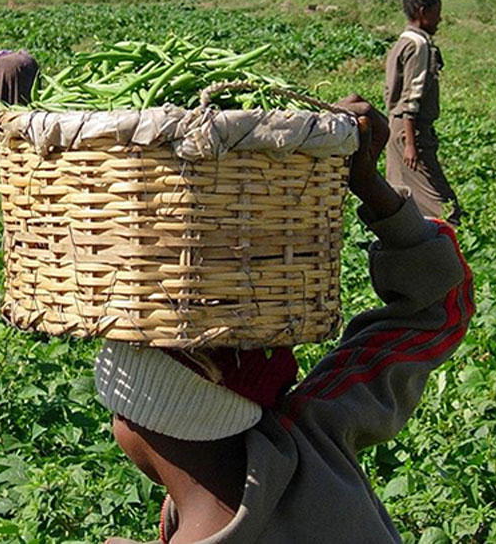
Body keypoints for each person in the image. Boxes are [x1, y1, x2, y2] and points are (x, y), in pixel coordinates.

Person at [98, 96, 472, 544]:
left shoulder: (310, 433)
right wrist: (369, 185)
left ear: (137, 418)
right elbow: (438, 307)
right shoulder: (309, 438)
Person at [383, 0, 463, 227]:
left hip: (396, 127)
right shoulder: (419, 46)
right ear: (421, 11)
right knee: (444, 204)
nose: (439, 19)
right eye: (436, 13)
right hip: (410, 131)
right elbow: (411, 96)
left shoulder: (404, 41)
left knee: (401, 195)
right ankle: (453, 241)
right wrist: (410, 144)